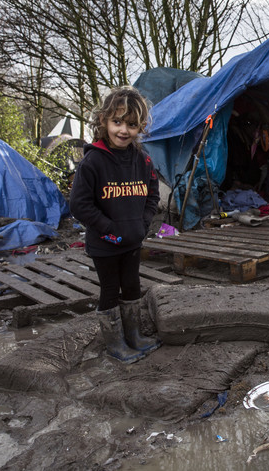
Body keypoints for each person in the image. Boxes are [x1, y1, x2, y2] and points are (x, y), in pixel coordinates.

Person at [69, 85, 161, 364]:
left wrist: (143, 224)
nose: (123, 130)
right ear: (103, 121)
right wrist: (109, 229)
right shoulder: (92, 162)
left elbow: (152, 195)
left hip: (133, 240)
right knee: (110, 291)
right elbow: (79, 205)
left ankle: (134, 337)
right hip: (105, 244)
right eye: (117, 122)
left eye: (132, 125)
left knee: (132, 287)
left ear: (141, 127)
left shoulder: (143, 160)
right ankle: (115, 344)